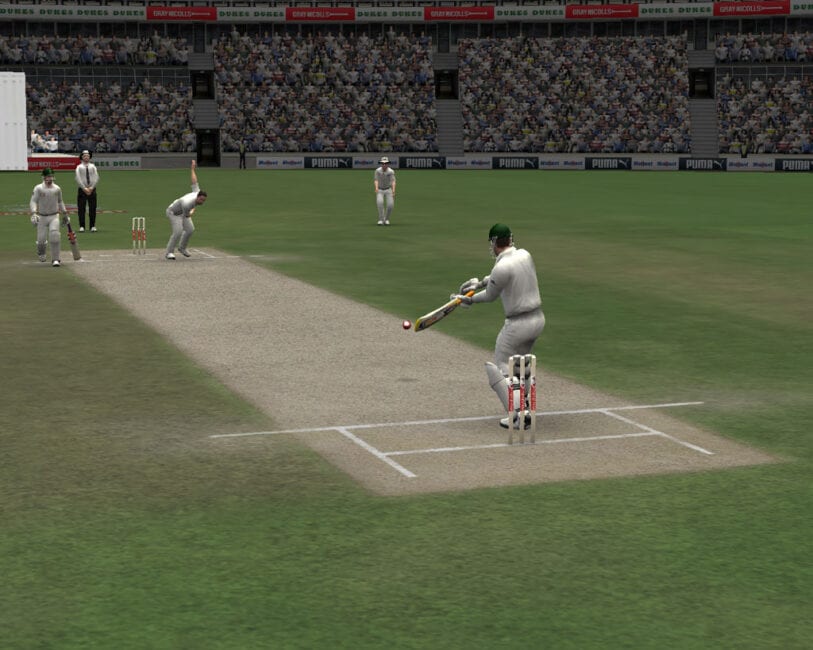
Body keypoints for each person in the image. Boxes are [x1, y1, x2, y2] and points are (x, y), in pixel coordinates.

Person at [454, 223, 545, 429]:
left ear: (495, 242)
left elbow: (490, 295)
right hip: (537, 320)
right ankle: (525, 408)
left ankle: (518, 415)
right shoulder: (525, 255)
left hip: (518, 324)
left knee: (501, 367)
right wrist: (480, 283)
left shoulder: (501, 267)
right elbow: (501, 277)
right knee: (521, 365)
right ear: (511, 239)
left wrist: (469, 299)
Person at [164, 159, 207, 260]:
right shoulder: (187, 203)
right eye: (201, 200)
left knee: (190, 229)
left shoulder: (197, 192)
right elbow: (187, 215)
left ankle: (182, 248)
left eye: (204, 200)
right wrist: (193, 210)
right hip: (173, 213)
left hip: (183, 213)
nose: (202, 202)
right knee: (178, 232)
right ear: (197, 197)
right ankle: (169, 252)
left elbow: (194, 181)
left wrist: (192, 169)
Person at [29, 168, 70, 267]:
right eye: (48, 176)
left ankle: (55, 259)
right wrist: (34, 213)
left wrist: (65, 214)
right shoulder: (38, 188)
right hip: (42, 217)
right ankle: (41, 253)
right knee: (41, 240)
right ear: (43, 177)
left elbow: (60, 201)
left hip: (54, 216)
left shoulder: (57, 188)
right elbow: (33, 201)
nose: (50, 178)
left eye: (51, 176)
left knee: (55, 236)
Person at [74, 150, 99, 232]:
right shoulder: (79, 167)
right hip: (82, 190)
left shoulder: (93, 166)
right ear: (81, 157)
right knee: (81, 208)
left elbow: (96, 177)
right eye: (84, 156)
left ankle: (92, 226)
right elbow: (78, 178)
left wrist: (92, 187)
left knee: (93, 208)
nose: (86, 157)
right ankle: (82, 226)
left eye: (88, 156)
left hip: (92, 189)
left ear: (90, 157)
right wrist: (84, 188)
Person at [374, 156, 396, 225]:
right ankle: (381, 219)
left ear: (388, 164)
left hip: (388, 189)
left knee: (390, 205)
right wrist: (376, 188)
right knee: (380, 203)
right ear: (381, 164)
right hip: (380, 189)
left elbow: (393, 181)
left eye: (385, 163)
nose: (384, 165)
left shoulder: (391, 171)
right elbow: (376, 180)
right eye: (383, 163)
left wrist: (393, 190)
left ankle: (386, 219)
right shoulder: (377, 171)